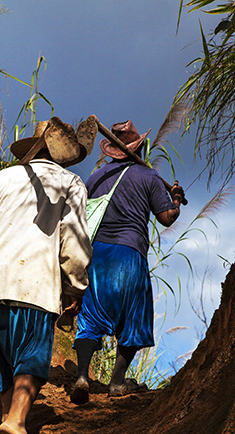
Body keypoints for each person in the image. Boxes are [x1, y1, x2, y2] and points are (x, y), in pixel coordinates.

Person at [0, 117, 93, 434]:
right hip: (34, 283)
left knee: (4, 357)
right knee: (33, 357)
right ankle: (17, 424)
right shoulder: (70, 183)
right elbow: (76, 243)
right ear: (63, 154)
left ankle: (11, 425)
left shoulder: (3, 177)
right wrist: (76, 287)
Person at [70, 119, 185, 404]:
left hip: (97, 255)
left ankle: (82, 376)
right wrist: (176, 200)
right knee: (134, 317)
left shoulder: (95, 178)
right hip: (130, 254)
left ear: (111, 151)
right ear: (140, 147)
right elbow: (166, 218)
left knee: (91, 315)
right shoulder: (147, 177)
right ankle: (117, 383)